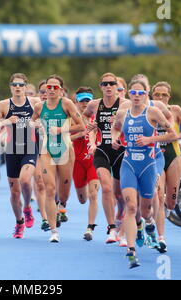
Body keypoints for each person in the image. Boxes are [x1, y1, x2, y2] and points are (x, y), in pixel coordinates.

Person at [111, 80, 177, 268]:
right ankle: (131, 251)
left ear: (146, 94)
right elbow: (115, 128)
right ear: (129, 94)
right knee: (131, 206)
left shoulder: (153, 112)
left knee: (145, 210)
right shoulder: (123, 113)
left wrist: (151, 138)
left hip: (148, 165)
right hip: (129, 164)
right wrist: (115, 139)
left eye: (141, 92)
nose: (137, 95)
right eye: (133, 92)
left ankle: (148, 224)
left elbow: (172, 134)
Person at [31, 74, 86, 242]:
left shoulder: (67, 104)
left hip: (65, 149)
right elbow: (31, 122)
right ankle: (53, 231)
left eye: (55, 87)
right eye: (49, 87)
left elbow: (81, 126)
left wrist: (61, 130)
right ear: (45, 89)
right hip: (47, 150)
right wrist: (36, 125)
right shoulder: (40, 107)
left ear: (61, 90)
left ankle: (62, 205)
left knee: (63, 191)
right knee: (49, 189)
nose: (52, 90)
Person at [0, 73, 40, 239]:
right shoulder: (3, 105)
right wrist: (8, 121)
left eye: (21, 85)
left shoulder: (35, 103)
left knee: (26, 180)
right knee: (14, 193)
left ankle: (27, 207)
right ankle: (19, 222)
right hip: (12, 150)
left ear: (26, 87)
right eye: (14, 85)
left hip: (30, 147)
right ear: (10, 87)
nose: (18, 87)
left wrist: (38, 124)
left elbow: (44, 119)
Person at [84, 72, 128, 244]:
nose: (109, 87)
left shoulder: (126, 104)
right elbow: (85, 116)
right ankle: (111, 228)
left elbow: (137, 119)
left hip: (121, 150)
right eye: (105, 84)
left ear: (117, 87)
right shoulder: (95, 105)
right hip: (102, 150)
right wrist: (89, 127)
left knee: (119, 194)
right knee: (106, 188)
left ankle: (121, 217)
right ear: (101, 87)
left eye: (112, 83)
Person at [152, 81, 181, 253]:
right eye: (157, 94)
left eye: (164, 95)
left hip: (173, 157)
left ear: (169, 96)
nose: (160, 97)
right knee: (158, 194)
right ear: (152, 95)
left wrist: (175, 136)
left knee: (170, 201)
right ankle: (160, 237)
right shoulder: (149, 110)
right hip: (155, 157)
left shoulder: (175, 110)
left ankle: (167, 208)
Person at [71, 87, 100, 241]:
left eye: (87, 101)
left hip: (93, 161)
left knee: (94, 195)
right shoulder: (71, 119)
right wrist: (79, 134)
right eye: (81, 101)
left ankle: (90, 227)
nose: (84, 104)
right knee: (82, 199)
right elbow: (64, 139)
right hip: (77, 162)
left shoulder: (98, 118)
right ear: (76, 102)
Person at [33, 80, 49, 231]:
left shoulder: (62, 107)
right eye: (42, 92)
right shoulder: (36, 109)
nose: (45, 94)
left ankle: (57, 207)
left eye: (48, 90)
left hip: (55, 151)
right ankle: (45, 217)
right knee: (39, 183)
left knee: (52, 186)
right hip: (37, 150)